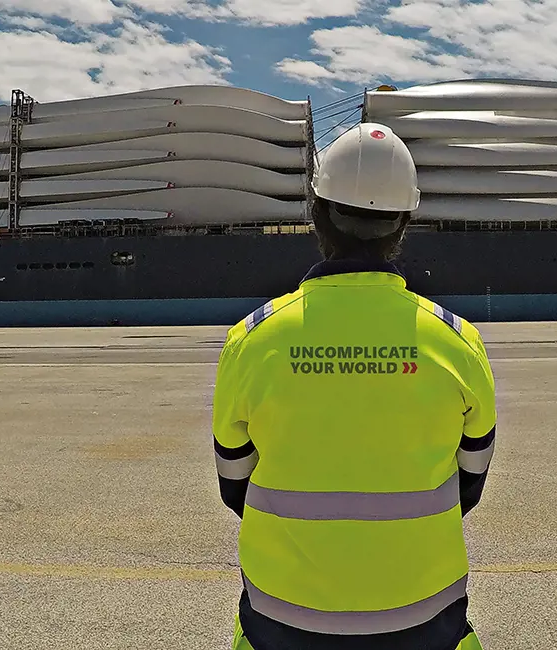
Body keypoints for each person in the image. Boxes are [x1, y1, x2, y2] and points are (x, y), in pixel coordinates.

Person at [211, 122, 498, 650]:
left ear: (317, 212)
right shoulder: (458, 341)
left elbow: (235, 486)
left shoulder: (252, 339)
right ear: (403, 223)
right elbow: (469, 485)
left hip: (283, 620)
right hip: (425, 620)